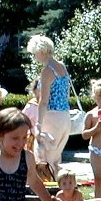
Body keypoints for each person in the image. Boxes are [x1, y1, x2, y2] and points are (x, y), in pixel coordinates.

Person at [27, 35, 71, 183]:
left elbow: (44, 101)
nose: (34, 56)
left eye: (34, 53)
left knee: (44, 158)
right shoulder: (62, 67)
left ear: (40, 51)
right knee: (56, 158)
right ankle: (63, 190)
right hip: (65, 117)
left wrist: (38, 125)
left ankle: (50, 193)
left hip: (52, 117)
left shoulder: (47, 71)